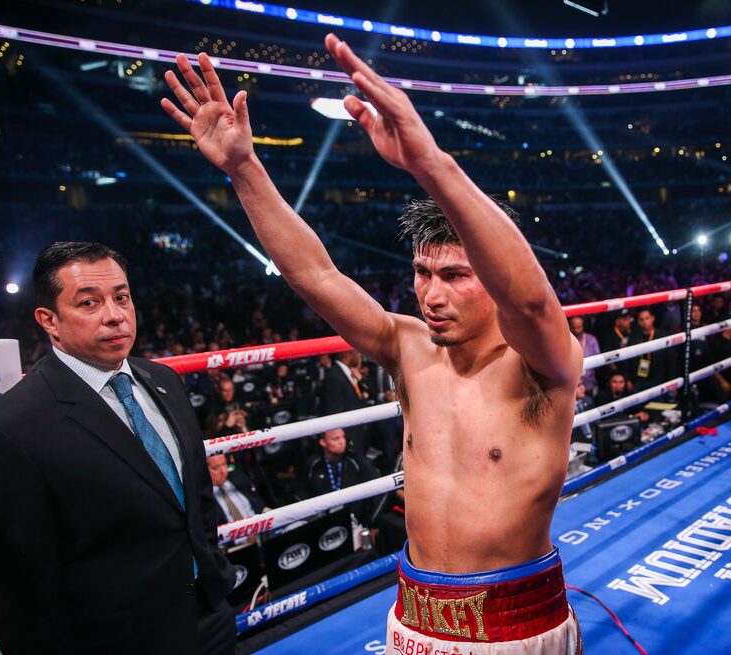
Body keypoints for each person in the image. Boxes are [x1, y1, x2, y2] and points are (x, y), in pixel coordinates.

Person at [162, 35, 583, 654]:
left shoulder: (544, 364)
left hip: (514, 622)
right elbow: (317, 276)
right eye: (422, 273)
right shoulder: (408, 346)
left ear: (489, 277)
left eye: (455, 275)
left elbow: (530, 302)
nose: (431, 295)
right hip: (412, 613)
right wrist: (243, 169)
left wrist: (428, 162)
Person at [0, 242, 236, 655]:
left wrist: (216, 580)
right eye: (88, 302)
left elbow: (195, 503)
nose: (115, 315)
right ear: (49, 320)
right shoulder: (8, 428)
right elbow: (23, 592)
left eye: (121, 297)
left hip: (209, 618)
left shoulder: (165, 381)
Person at [305, 428, 377, 523]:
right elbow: (306, 496)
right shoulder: (313, 466)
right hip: (323, 522)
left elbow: (372, 494)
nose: (342, 442)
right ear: (323, 442)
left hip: (355, 521)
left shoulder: (356, 462)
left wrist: (370, 523)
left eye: (343, 437)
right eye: (336, 438)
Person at [569, 316, 600, 396]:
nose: (576, 330)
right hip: (572, 384)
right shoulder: (566, 339)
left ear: (583, 326)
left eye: (578, 327)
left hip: (589, 381)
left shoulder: (591, 340)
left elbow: (598, 360)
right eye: (573, 327)